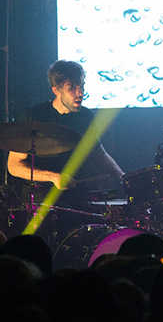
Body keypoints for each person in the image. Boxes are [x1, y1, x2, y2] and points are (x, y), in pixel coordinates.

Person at [7, 60, 124, 212]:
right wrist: (53, 177)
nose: (80, 93)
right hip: (41, 198)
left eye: (81, 86)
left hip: (77, 195)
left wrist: (122, 177)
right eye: (72, 88)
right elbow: (14, 165)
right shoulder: (34, 115)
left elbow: (99, 155)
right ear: (56, 90)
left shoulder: (85, 117)